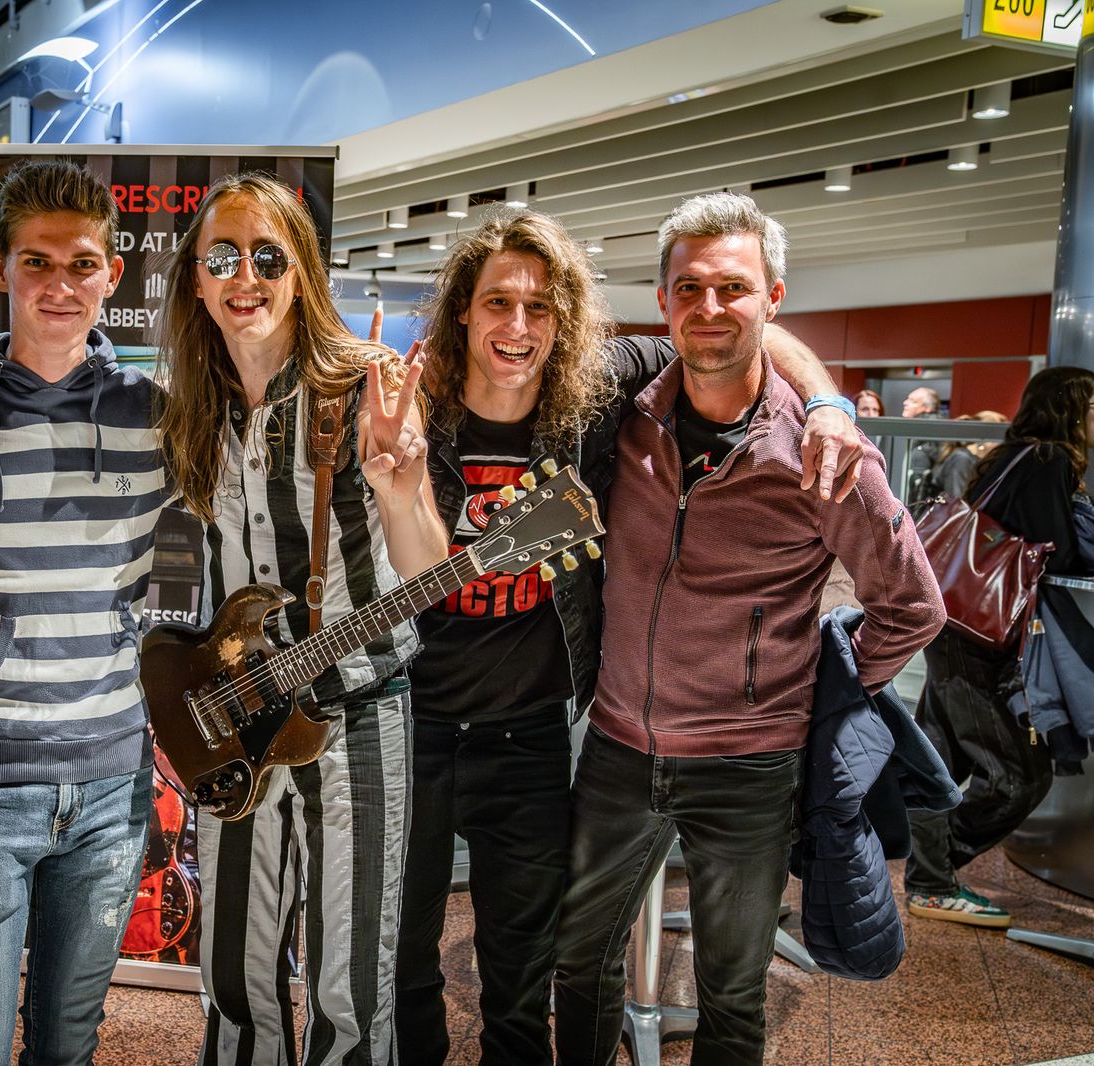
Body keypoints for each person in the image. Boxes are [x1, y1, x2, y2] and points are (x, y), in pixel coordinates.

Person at [397, 212, 862, 1066]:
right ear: (463, 307)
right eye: (498, 302)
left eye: (541, 307)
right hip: (410, 726)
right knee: (402, 967)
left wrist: (828, 403)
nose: (518, 325)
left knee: (521, 980)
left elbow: (737, 332)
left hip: (528, 735)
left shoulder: (593, 395)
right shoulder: (413, 409)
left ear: (564, 321)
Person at [550, 192, 944, 1066]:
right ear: (664, 301)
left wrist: (823, 684)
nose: (710, 307)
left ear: (772, 298)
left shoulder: (823, 455)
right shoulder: (628, 415)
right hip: (618, 749)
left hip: (748, 767)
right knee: (577, 964)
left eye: (733, 288)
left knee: (731, 994)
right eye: (690, 288)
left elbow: (914, 606)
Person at [154, 172, 445, 1066]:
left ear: (303, 271)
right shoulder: (191, 406)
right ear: (197, 279)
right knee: (233, 977)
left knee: (349, 985)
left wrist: (401, 488)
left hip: (355, 714)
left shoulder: (363, 385)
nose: (246, 277)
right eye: (224, 258)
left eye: (269, 257)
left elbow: (426, 568)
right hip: (236, 719)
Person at [0, 160, 166, 1065]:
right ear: (0, 268)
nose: (61, 285)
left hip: (110, 783)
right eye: (37, 263)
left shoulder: (154, 415)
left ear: (112, 275)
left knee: (69, 1045)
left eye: (83, 264)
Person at [905, 369, 1094, 927]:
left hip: (955, 623)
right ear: (1069, 409)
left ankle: (928, 880)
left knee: (939, 763)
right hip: (980, 635)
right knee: (1021, 777)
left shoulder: (1010, 455)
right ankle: (931, 873)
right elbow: (1057, 552)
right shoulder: (1048, 461)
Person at [930, 410, 1007, 499]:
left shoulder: (975, 460)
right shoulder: (962, 459)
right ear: (985, 439)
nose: (1002, 445)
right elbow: (956, 500)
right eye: (1000, 440)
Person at [903, 384, 945, 503]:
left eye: (913, 401)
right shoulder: (932, 426)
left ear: (927, 408)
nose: (905, 403)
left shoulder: (927, 427)